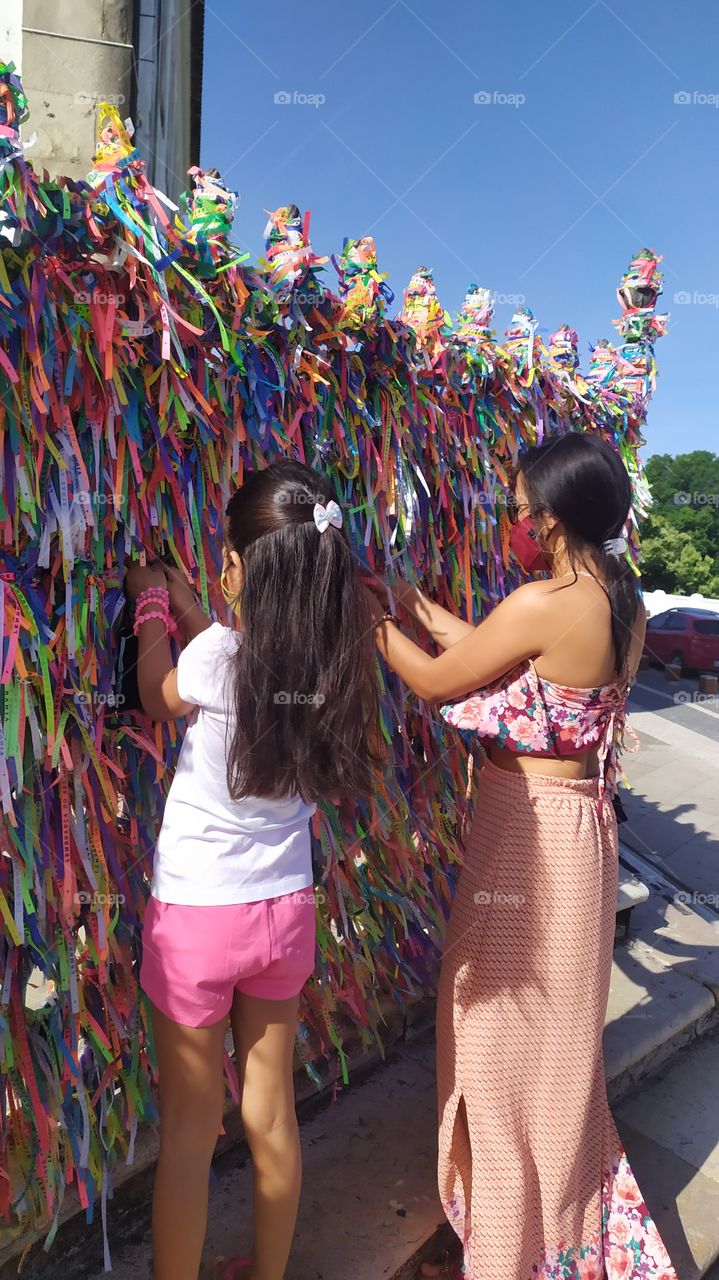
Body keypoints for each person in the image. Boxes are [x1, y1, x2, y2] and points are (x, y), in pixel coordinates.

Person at [364, 434, 678, 1280]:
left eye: (516, 508)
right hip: (581, 832)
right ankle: (556, 1229)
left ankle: (506, 1248)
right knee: (552, 1049)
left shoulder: (546, 600)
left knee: (492, 1032)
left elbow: (442, 684)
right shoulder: (620, 600)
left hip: (525, 834)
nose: (512, 522)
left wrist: (371, 623)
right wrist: (418, 610)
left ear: (550, 518)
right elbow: (510, 666)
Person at [124, 459, 381, 1280]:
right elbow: (228, 661)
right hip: (283, 916)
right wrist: (198, 611)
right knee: (272, 1118)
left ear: (236, 569)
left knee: (190, 1136)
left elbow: (161, 690)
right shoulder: (332, 666)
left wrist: (152, 604)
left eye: (224, 562)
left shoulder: (218, 662)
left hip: (198, 921)